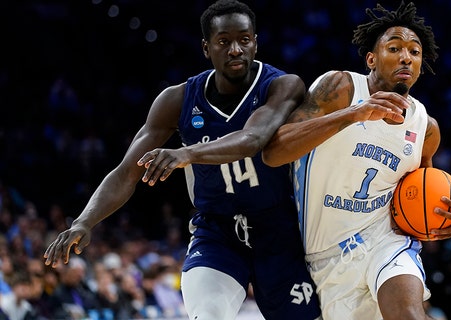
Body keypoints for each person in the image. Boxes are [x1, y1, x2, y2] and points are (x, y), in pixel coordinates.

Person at [42, 0, 322, 319]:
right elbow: (126, 173)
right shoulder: (177, 100)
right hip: (217, 232)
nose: (235, 49)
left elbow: (252, 139)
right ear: (206, 48)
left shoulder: (283, 86)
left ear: (255, 43)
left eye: (244, 40)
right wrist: (83, 221)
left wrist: (185, 153)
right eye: (223, 41)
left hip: (278, 229)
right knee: (208, 313)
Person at [261, 1, 451, 319]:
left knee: (409, 313)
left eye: (415, 52)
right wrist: (353, 114)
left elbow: (420, 199)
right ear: (372, 59)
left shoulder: (426, 127)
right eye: (394, 48)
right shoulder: (340, 88)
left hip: (385, 241)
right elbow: (274, 152)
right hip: (320, 256)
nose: (406, 56)